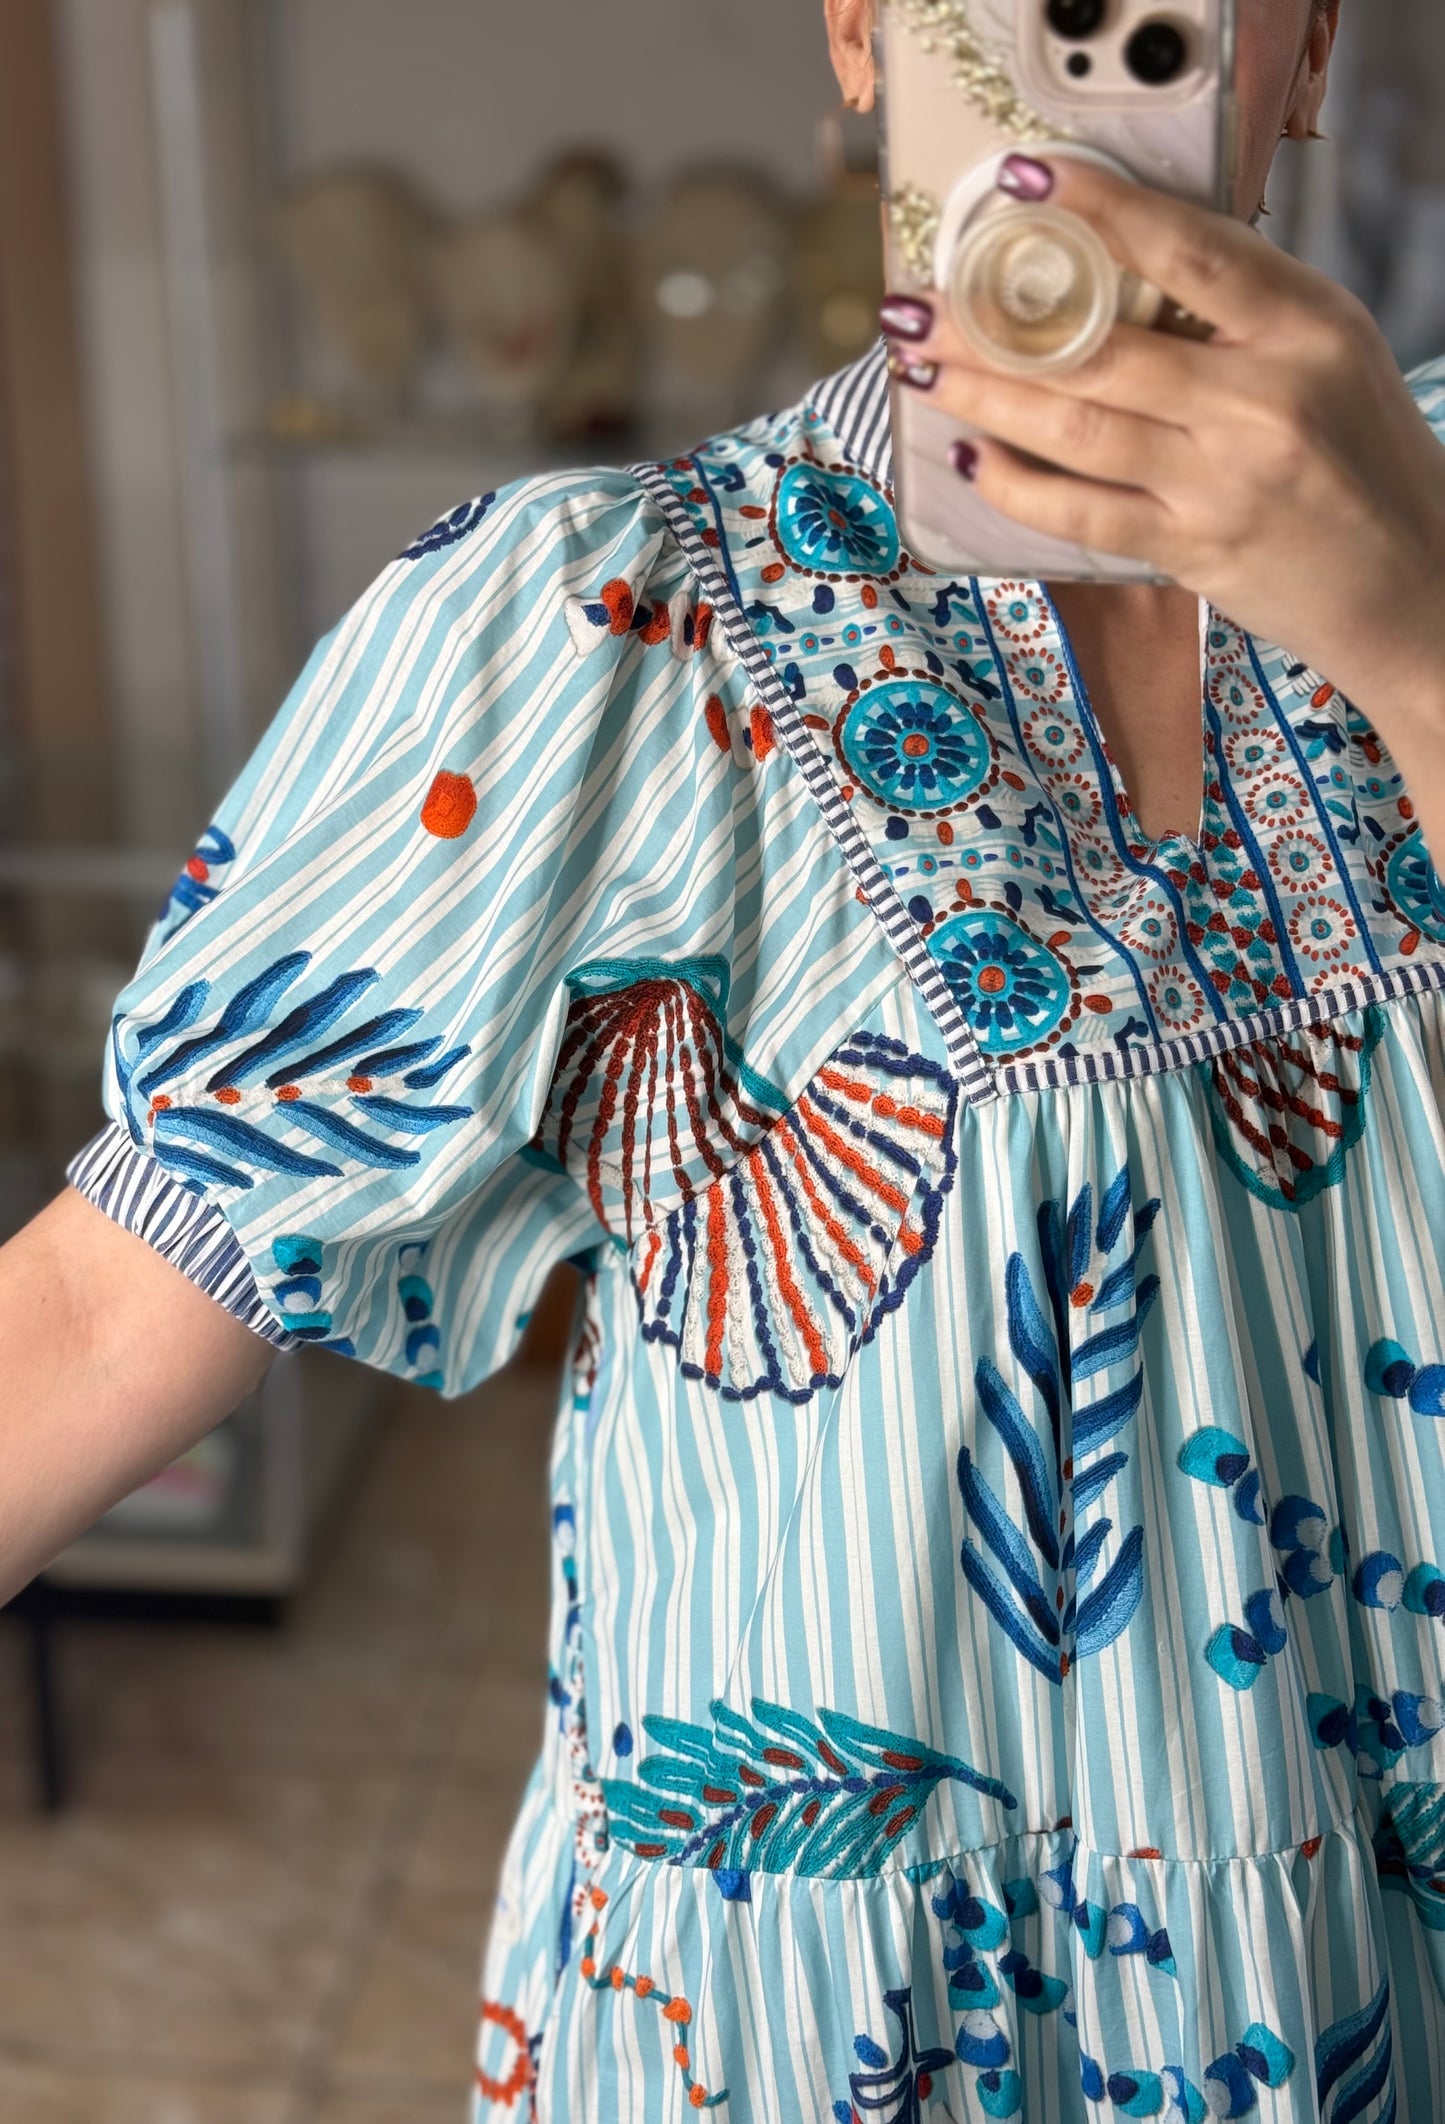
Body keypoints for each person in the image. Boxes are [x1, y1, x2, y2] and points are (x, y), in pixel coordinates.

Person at [3, 0, 1444, 2113]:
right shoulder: (595, 618)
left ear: (1307, 51)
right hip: (836, 2020)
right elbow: (103, 1305)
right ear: (862, 34)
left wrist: (1415, 629)